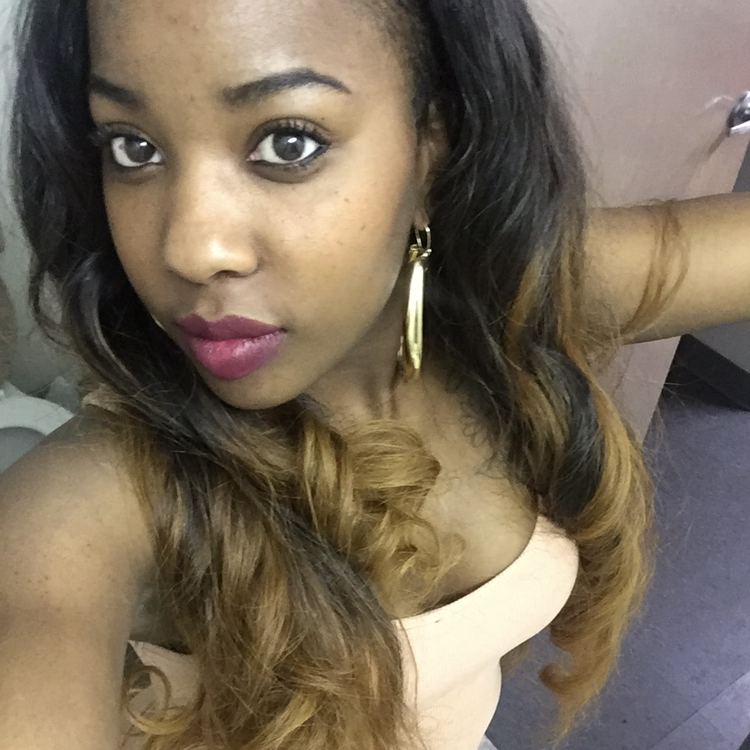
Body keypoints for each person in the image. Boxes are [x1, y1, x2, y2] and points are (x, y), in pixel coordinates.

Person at [1, 0, 749, 749]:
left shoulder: (508, 297)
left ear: (432, 144)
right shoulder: (86, 506)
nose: (191, 251)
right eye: (132, 147)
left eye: (288, 142)